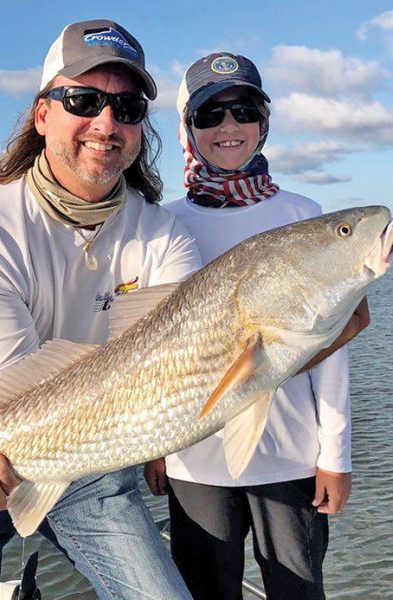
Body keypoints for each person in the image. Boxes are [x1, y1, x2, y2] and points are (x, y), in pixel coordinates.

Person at [0, 19, 200, 600]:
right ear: (42, 115)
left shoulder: (164, 237)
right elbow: (18, 394)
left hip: (86, 459)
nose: (106, 124)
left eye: (128, 108)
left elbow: (172, 365)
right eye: (83, 100)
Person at [144, 52, 370, 600]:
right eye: (208, 115)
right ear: (186, 129)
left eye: (244, 111)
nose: (228, 127)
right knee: (205, 590)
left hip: (291, 456)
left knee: (297, 589)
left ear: (264, 124)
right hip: (194, 460)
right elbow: (149, 353)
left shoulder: (305, 216)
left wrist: (333, 457)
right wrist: (155, 446)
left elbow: (332, 353)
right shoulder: (161, 223)